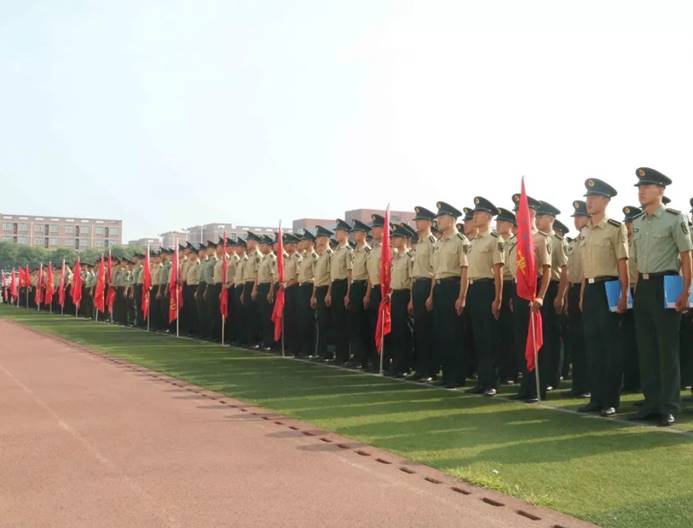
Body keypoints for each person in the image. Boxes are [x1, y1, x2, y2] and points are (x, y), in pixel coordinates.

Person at [630, 167, 692, 427]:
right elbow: (634, 261)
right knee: (646, 350)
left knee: (667, 350)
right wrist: (633, 290)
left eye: (647, 186)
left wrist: (685, 292)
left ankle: (669, 406)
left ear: (661, 190)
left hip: (666, 286)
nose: (642, 191)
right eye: (640, 188)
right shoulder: (637, 222)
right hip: (643, 288)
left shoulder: (674, 219)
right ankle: (651, 403)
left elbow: (686, 257)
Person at [578, 178, 629, 417]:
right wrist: (581, 295)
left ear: (606, 201)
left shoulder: (615, 228)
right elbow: (586, 268)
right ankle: (596, 398)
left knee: (610, 348)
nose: (589, 202)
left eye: (594, 198)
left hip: (609, 288)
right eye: (588, 197)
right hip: (589, 290)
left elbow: (623, 264)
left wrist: (624, 295)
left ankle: (610, 400)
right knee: (593, 347)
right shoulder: (585, 230)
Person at [509, 193, 552, 402]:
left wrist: (541, 297)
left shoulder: (541, 239)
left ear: (532, 213)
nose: (518, 214)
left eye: (521, 210)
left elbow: (548, 270)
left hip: (534, 295)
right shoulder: (517, 240)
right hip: (518, 295)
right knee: (520, 342)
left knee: (535, 343)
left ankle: (536, 388)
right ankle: (524, 387)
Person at [465, 196, 505, 397]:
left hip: (486, 289)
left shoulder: (494, 240)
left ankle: (492, 382)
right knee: (479, 338)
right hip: (473, 289)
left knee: (490, 338)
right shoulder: (472, 242)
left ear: (489, 216)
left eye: (479, 213)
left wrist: (498, 298)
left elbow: (498, 271)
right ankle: (482, 380)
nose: (475, 216)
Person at [432, 201, 470, 388]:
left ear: (451, 220)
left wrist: (462, 297)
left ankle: (457, 376)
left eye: (441, 217)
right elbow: (435, 272)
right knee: (442, 334)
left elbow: (465, 270)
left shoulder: (461, 240)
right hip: (439, 288)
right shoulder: (439, 242)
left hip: (452, 287)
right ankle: (447, 375)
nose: (438, 220)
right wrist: (431, 295)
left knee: (454, 334)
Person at [535, 201, 568, 391]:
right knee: (541, 334)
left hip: (554, 287)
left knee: (553, 335)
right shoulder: (535, 238)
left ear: (551, 219)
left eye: (542, 217)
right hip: (539, 287)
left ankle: (553, 377)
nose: (538, 220)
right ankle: (541, 373)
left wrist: (560, 296)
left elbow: (565, 270)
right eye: (537, 217)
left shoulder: (559, 240)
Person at [409, 206, 437, 381]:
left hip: (428, 286)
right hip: (417, 286)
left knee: (428, 330)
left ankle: (429, 370)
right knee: (419, 330)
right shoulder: (418, 243)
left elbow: (435, 271)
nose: (417, 223)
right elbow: (414, 273)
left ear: (428, 222)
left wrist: (431, 295)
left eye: (420, 220)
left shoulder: (433, 242)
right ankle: (420, 368)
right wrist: (412, 298)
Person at [566, 200, 590, 397]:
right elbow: (569, 272)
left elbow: (586, 271)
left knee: (586, 340)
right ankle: (578, 384)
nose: (577, 220)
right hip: (573, 291)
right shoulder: (573, 242)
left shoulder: (588, 239)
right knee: (575, 340)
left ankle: (587, 386)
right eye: (575, 217)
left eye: (580, 216)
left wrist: (582, 295)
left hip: (586, 290)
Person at [621, 205, 643, 392]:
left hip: (640, 289)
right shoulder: (624, 241)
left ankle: (639, 382)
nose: (629, 224)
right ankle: (630, 381)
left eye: (631, 220)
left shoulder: (641, 239)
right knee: (627, 338)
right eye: (627, 221)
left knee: (641, 339)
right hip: (626, 291)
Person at [495, 207, 517, 384]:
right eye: (497, 221)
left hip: (511, 285)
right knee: (500, 331)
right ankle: (502, 368)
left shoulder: (514, 242)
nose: (498, 224)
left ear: (510, 224)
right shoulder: (497, 241)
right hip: (497, 285)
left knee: (511, 331)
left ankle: (511, 371)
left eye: (501, 222)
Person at [347, 219, 372, 369]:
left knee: (362, 325)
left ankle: (363, 358)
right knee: (354, 324)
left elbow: (370, 274)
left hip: (363, 287)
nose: (354, 234)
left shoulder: (367, 251)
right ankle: (356, 356)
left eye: (356, 232)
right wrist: (348, 293)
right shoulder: (354, 251)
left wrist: (367, 294)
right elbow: (351, 275)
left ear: (363, 234)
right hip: (355, 288)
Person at [389, 223, 414, 376]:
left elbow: (412, 280)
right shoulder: (396, 258)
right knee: (396, 332)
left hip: (405, 295)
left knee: (405, 332)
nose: (393, 239)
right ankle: (397, 365)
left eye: (396, 237)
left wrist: (411, 300)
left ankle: (405, 366)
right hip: (396, 295)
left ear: (405, 239)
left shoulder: (410, 257)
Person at [326, 219, 352, 364]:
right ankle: (338, 354)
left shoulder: (348, 251)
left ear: (345, 233)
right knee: (336, 322)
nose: (336, 233)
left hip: (343, 286)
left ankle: (344, 355)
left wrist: (348, 293)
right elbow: (331, 275)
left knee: (343, 323)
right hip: (335, 286)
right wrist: (329, 293)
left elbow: (349, 274)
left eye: (339, 231)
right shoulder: (336, 251)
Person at [312, 226, 333, 359]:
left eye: (320, 237)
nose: (318, 240)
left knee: (326, 322)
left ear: (326, 238)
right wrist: (313, 295)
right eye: (317, 237)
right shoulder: (320, 256)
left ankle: (327, 351)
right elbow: (316, 278)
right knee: (320, 321)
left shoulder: (330, 254)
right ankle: (321, 351)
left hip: (326, 289)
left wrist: (328, 293)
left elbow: (331, 276)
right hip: (319, 289)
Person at [296, 230, 318, 358]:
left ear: (310, 242)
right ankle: (303, 348)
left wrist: (313, 295)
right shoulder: (304, 257)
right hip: (301, 287)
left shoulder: (314, 257)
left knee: (308, 321)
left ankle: (309, 350)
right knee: (301, 321)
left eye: (304, 240)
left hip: (309, 288)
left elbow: (316, 277)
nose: (302, 242)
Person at [256, 235, 277, 351]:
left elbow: (273, 276)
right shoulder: (264, 258)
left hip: (268, 287)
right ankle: (265, 340)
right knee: (263, 316)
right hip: (261, 287)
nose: (262, 247)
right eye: (261, 245)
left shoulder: (272, 258)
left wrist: (270, 291)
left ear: (269, 246)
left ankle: (270, 342)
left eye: (264, 245)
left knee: (269, 317)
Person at [242, 233, 262, 348]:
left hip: (254, 285)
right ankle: (249, 340)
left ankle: (254, 341)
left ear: (255, 243)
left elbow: (257, 274)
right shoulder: (250, 256)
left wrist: (254, 289)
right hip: (247, 284)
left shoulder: (257, 256)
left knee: (253, 315)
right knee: (247, 314)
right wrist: (244, 291)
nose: (247, 243)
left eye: (249, 241)